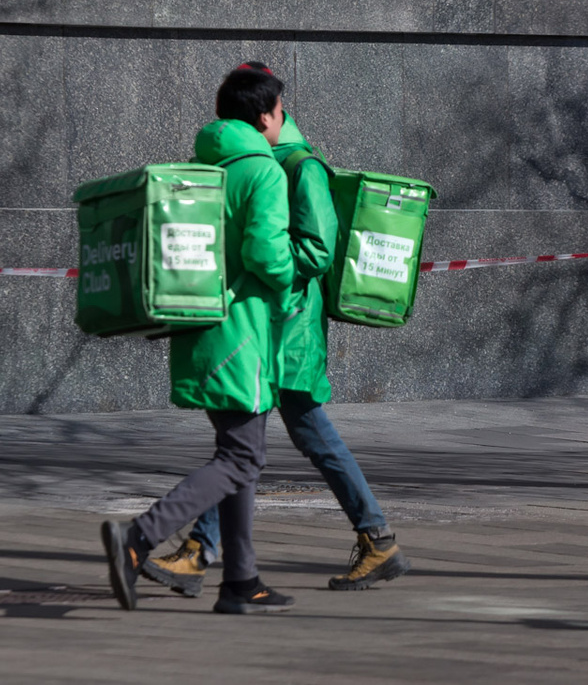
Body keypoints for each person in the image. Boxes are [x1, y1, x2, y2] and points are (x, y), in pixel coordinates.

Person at [141, 62, 411, 597]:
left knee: (279, 440)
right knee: (253, 444)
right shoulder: (254, 161)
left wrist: (272, 267)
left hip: (290, 332)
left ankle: (371, 539)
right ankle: (210, 553)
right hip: (265, 328)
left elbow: (318, 249)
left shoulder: (301, 166)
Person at [101, 66, 298, 615]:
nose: (284, 119)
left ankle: (241, 582)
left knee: (240, 456)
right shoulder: (263, 171)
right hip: (242, 334)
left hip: (202, 330)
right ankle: (138, 539)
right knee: (240, 458)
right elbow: (264, 253)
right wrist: (295, 275)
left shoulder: (201, 166)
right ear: (264, 117)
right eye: (282, 110)